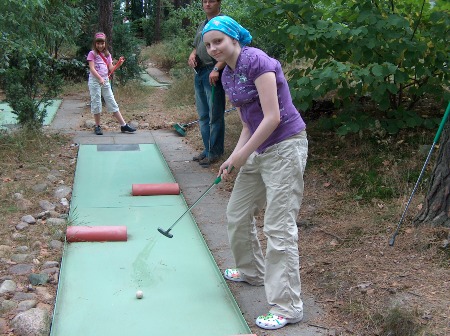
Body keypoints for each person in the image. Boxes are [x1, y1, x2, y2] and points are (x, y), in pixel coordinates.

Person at [202, 16, 308, 330]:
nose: (213, 48)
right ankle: (252, 271)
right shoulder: (227, 76)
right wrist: (234, 158)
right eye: (209, 45)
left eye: (218, 41)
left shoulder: (257, 62)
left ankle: (288, 308)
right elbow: (249, 122)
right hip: (258, 148)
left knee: (278, 229)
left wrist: (242, 155)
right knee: (237, 213)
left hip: (285, 147)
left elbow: (273, 117)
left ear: (234, 38)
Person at [187, 0, 226, 167]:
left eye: (211, 1)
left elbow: (230, 47)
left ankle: (215, 152)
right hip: (200, 72)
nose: (207, 4)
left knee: (214, 115)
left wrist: (217, 68)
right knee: (203, 115)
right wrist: (192, 53)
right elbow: (198, 45)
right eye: (205, 1)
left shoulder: (223, 22)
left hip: (213, 71)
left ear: (219, 3)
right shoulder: (203, 23)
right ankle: (207, 148)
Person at [87, 32, 136, 135]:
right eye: (98, 43)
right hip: (95, 81)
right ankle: (97, 126)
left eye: (102, 43)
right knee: (96, 102)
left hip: (105, 80)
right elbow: (91, 68)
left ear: (105, 43)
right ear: (95, 44)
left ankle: (123, 125)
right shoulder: (92, 53)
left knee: (111, 101)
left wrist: (118, 64)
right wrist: (99, 78)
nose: (100, 45)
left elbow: (111, 69)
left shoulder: (107, 55)